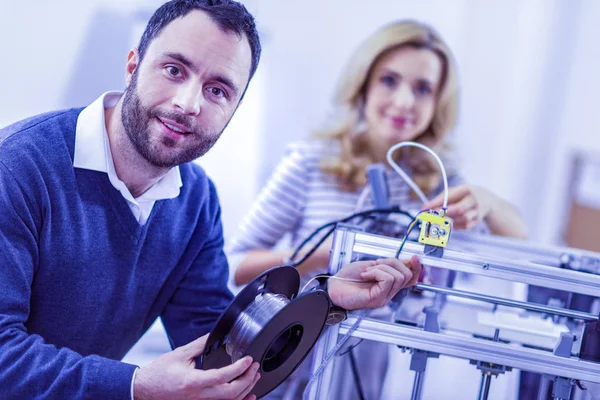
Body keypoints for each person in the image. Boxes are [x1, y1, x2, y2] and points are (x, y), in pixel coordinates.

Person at [0, 1, 423, 399]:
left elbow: (221, 350)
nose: (188, 104)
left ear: (235, 108)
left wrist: (325, 297)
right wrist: (137, 385)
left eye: (218, 90)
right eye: (173, 69)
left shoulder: (196, 200)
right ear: (132, 66)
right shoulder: (17, 167)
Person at [228, 19, 527, 399]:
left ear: (438, 104)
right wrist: (328, 254)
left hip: (376, 376)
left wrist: (489, 202)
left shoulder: (439, 185)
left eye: (423, 89)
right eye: (389, 80)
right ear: (363, 85)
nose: (404, 102)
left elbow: (518, 235)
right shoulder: (310, 164)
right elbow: (234, 266)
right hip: (283, 361)